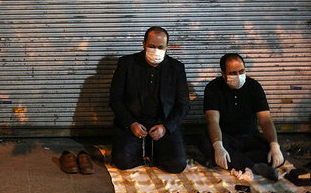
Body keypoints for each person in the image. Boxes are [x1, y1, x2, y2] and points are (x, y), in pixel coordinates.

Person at [109, 26, 190, 173]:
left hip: (163, 124)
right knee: (122, 161)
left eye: (161, 47)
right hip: (134, 123)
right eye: (152, 46)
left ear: (167, 47)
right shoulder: (127, 64)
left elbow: (183, 105)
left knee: (177, 164)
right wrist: (131, 123)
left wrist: (165, 127)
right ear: (144, 44)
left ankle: (153, 151)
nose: (156, 51)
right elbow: (115, 99)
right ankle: (144, 151)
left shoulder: (176, 68)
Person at [199, 53, 286, 181]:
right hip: (225, 138)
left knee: (280, 154)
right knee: (208, 146)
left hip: (249, 137)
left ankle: (240, 161)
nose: (239, 76)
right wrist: (218, 146)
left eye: (241, 71)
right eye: (233, 73)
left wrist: (274, 145)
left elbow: (265, 120)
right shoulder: (213, 88)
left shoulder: (254, 86)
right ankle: (254, 166)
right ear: (223, 74)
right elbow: (213, 120)